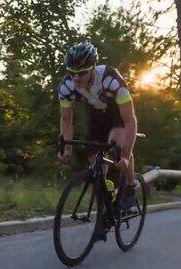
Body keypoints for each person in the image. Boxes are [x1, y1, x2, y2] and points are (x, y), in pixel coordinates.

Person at [57, 41, 138, 208]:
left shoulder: (111, 79)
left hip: (117, 113)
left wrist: (125, 156)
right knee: (94, 158)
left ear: (93, 68)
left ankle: (131, 186)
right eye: (72, 73)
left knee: (117, 147)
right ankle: (105, 198)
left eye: (81, 73)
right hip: (96, 114)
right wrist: (67, 150)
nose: (76, 78)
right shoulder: (67, 86)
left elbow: (130, 120)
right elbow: (66, 119)